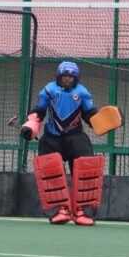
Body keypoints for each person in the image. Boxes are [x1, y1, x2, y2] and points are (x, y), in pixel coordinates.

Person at [21, 61, 104, 226]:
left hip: (76, 138)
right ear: (59, 76)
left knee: (87, 171)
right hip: (52, 138)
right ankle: (58, 210)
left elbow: (89, 114)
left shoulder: (82, 92)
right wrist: (31, 126)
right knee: (49, 172)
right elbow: (39, 111)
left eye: (71, 77)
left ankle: (83, 211)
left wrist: (101, 121)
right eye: (65, 76)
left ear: (76, 78)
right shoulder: (49, 90)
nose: (67, 79)